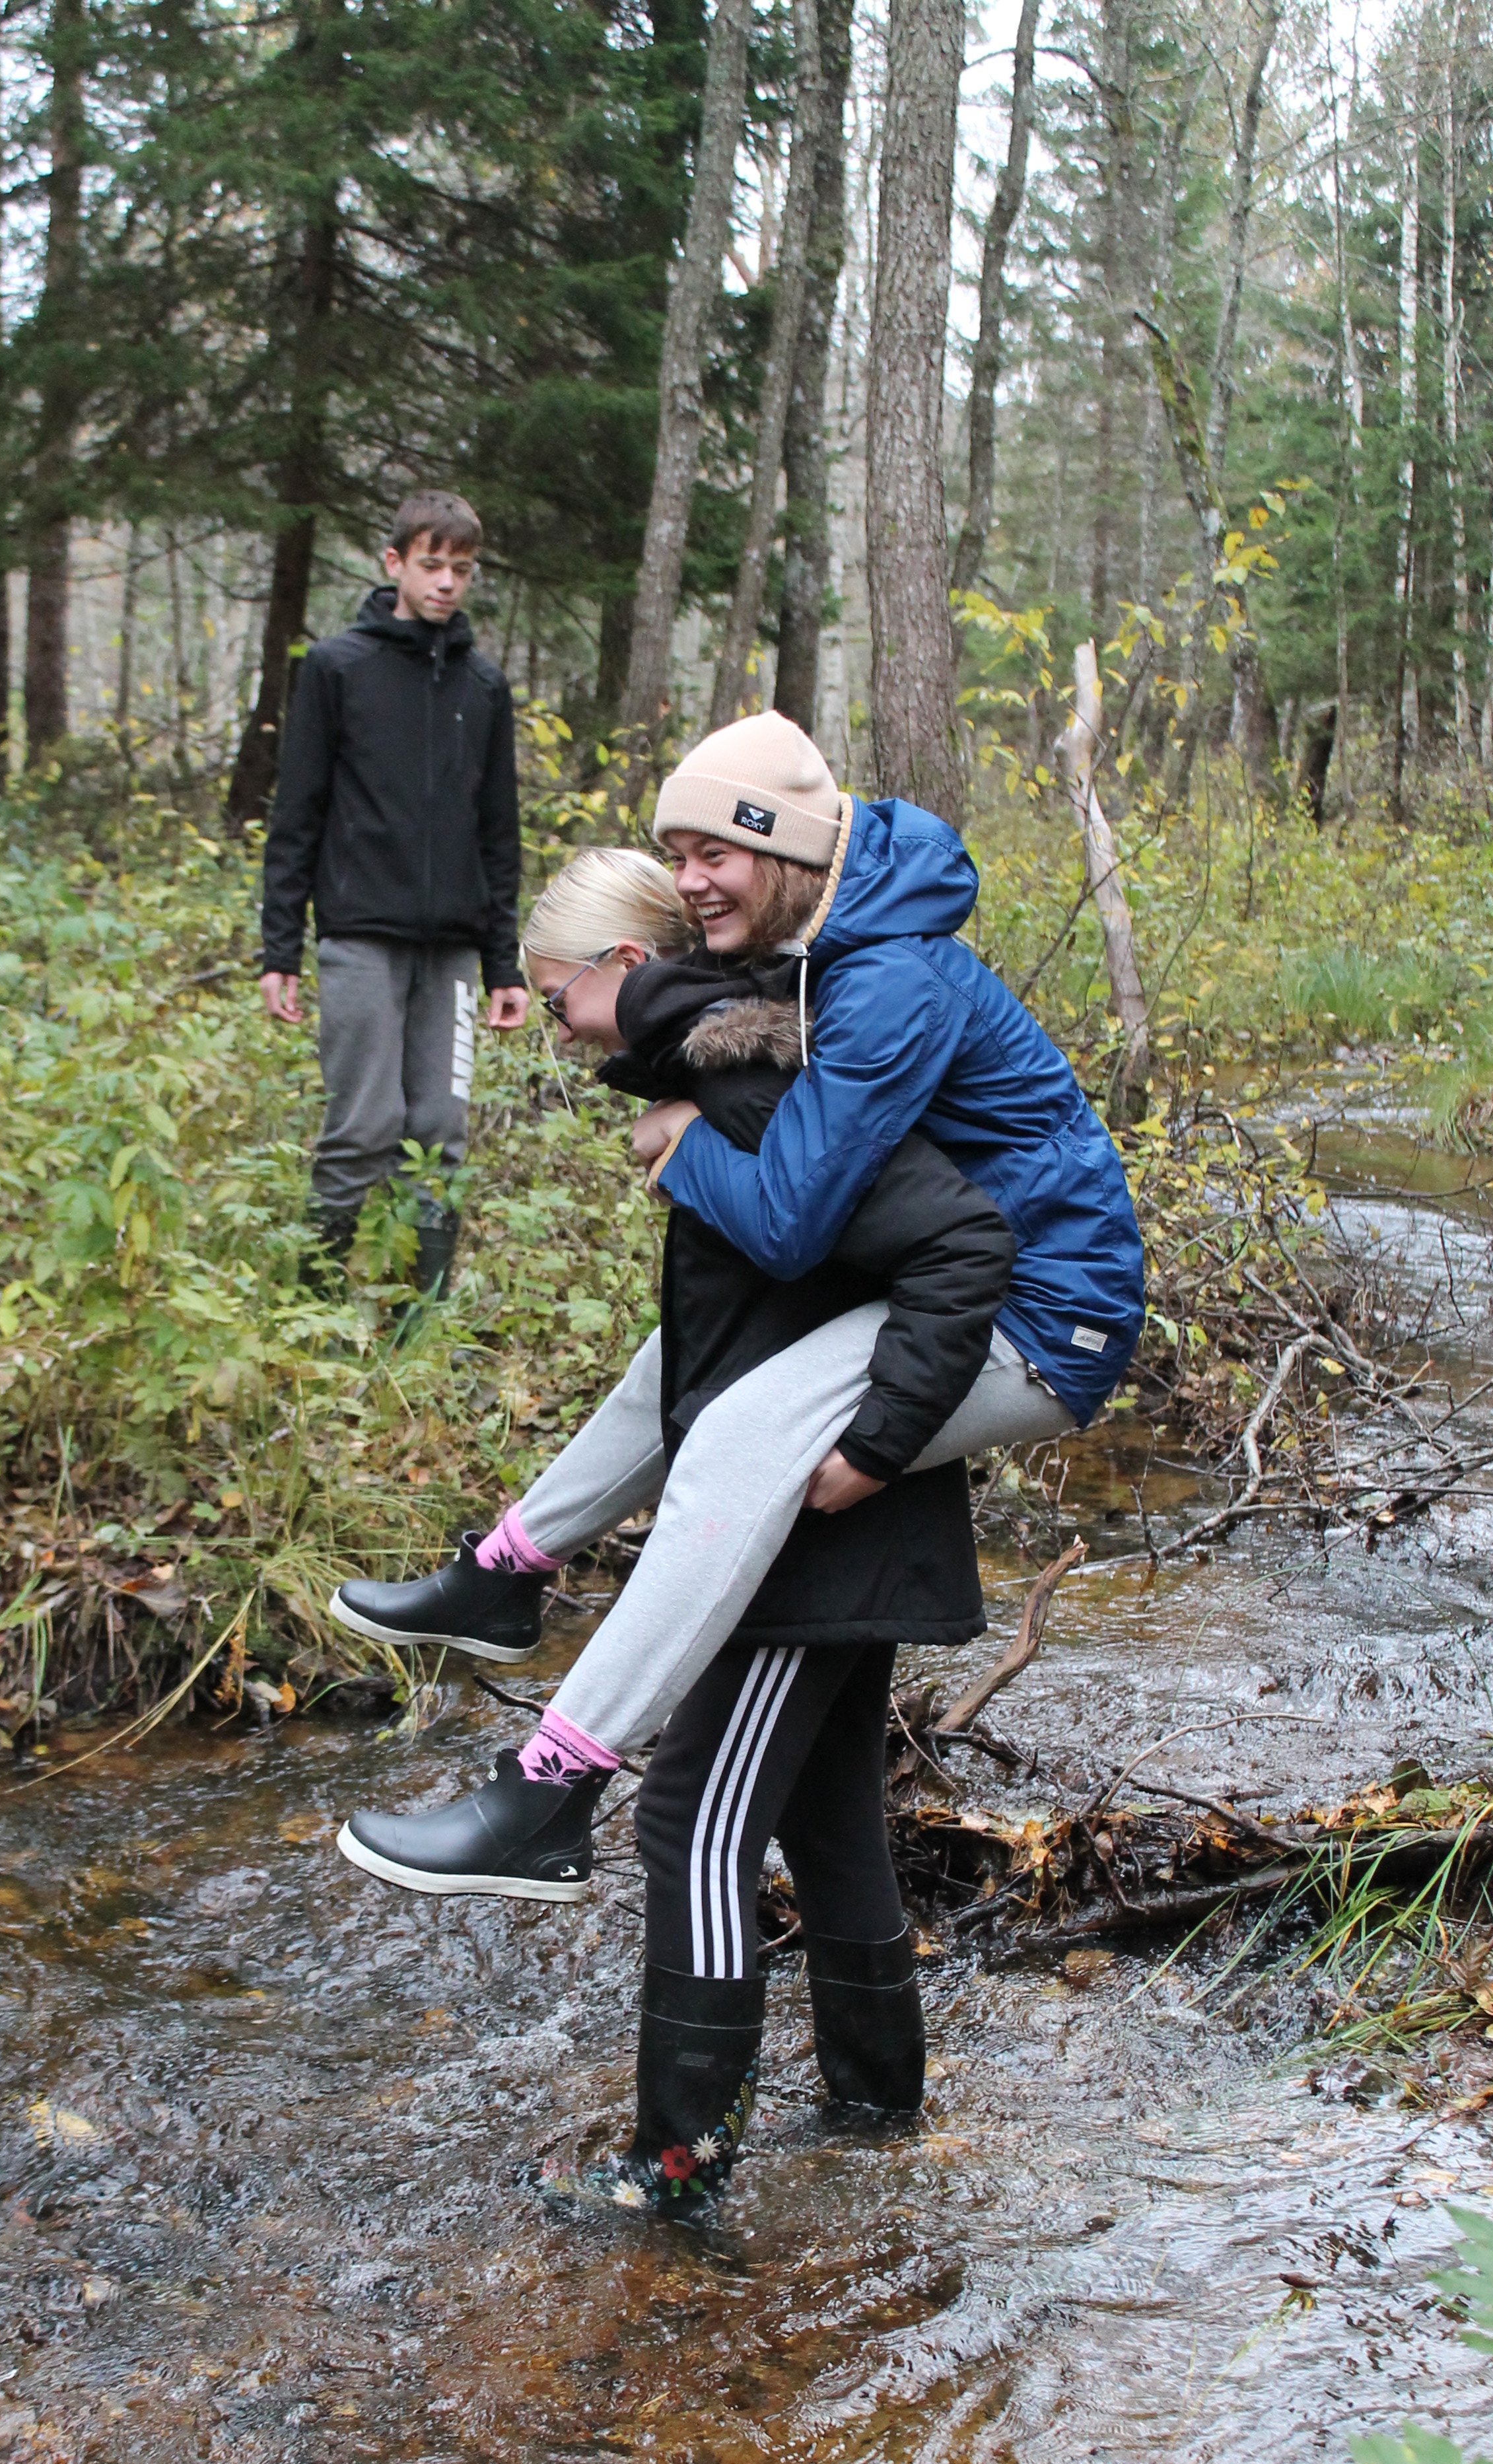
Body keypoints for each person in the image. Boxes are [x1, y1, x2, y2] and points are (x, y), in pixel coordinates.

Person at [330, 717, 1143, 1896]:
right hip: (961, 1281)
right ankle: (509, 1568)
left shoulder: (884, 977)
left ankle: (549, 1789)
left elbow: (790, 1219)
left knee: (737, 1440)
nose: (690, 877)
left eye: (716, 848)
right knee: (677, 1363)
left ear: (786, 846)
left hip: (1036, 1312)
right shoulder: (828, 939)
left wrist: (681, 1140)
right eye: (676, 851)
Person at [342, 864, 1014, 2206]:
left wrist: (871, 1452)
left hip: (813, 1533)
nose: (547, 1024)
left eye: (555, 995)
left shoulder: (750, 1086)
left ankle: (676, 2162)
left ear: (630, 962)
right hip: (822, 1523)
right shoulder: (736, 1074)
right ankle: (882, 2122)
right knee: (826, 1830)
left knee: (690, 1830)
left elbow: (954, 1249)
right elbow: (716, 1340)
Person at [259, 488, 530, 1296]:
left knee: (441, 1133)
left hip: (450, 949)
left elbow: (498, 832)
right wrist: (280, 949)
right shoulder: (338, 669)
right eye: (432, 565)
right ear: (395, 564)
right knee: (364, 1127)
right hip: (360, 937)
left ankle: (422, 1322)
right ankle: (309, 1313)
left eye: (462, 569)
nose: (447, 583)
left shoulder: (482, 687)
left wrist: (503, 966)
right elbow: (296, 815)